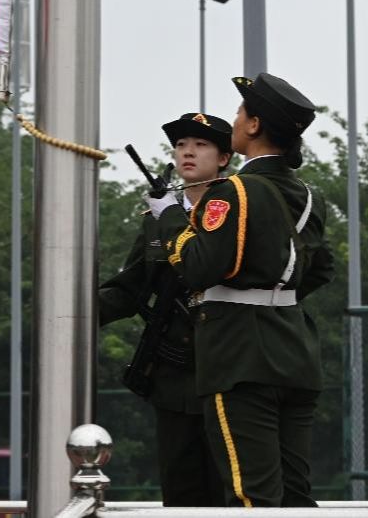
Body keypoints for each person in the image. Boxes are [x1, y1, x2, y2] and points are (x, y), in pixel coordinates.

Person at [159, 72, 333, 508]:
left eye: (240, 113)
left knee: (251, 496)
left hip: (239, 356)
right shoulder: (309, 196)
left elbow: (199, 267)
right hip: (295, 350)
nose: (235, 120)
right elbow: (319, 268)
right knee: (295, 498)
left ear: (254, 125)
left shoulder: (233, 191)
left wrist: (169, 219)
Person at [99, 112, 233, 507]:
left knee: (228, 490)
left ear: (224, 158)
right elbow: (130, 288)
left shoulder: (235, 212)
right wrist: (71, 311)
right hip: (174, 378)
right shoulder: (156, 220)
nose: (188, 152)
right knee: (180, 491)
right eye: (181, 145)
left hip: (228, 368)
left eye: (201, 145)